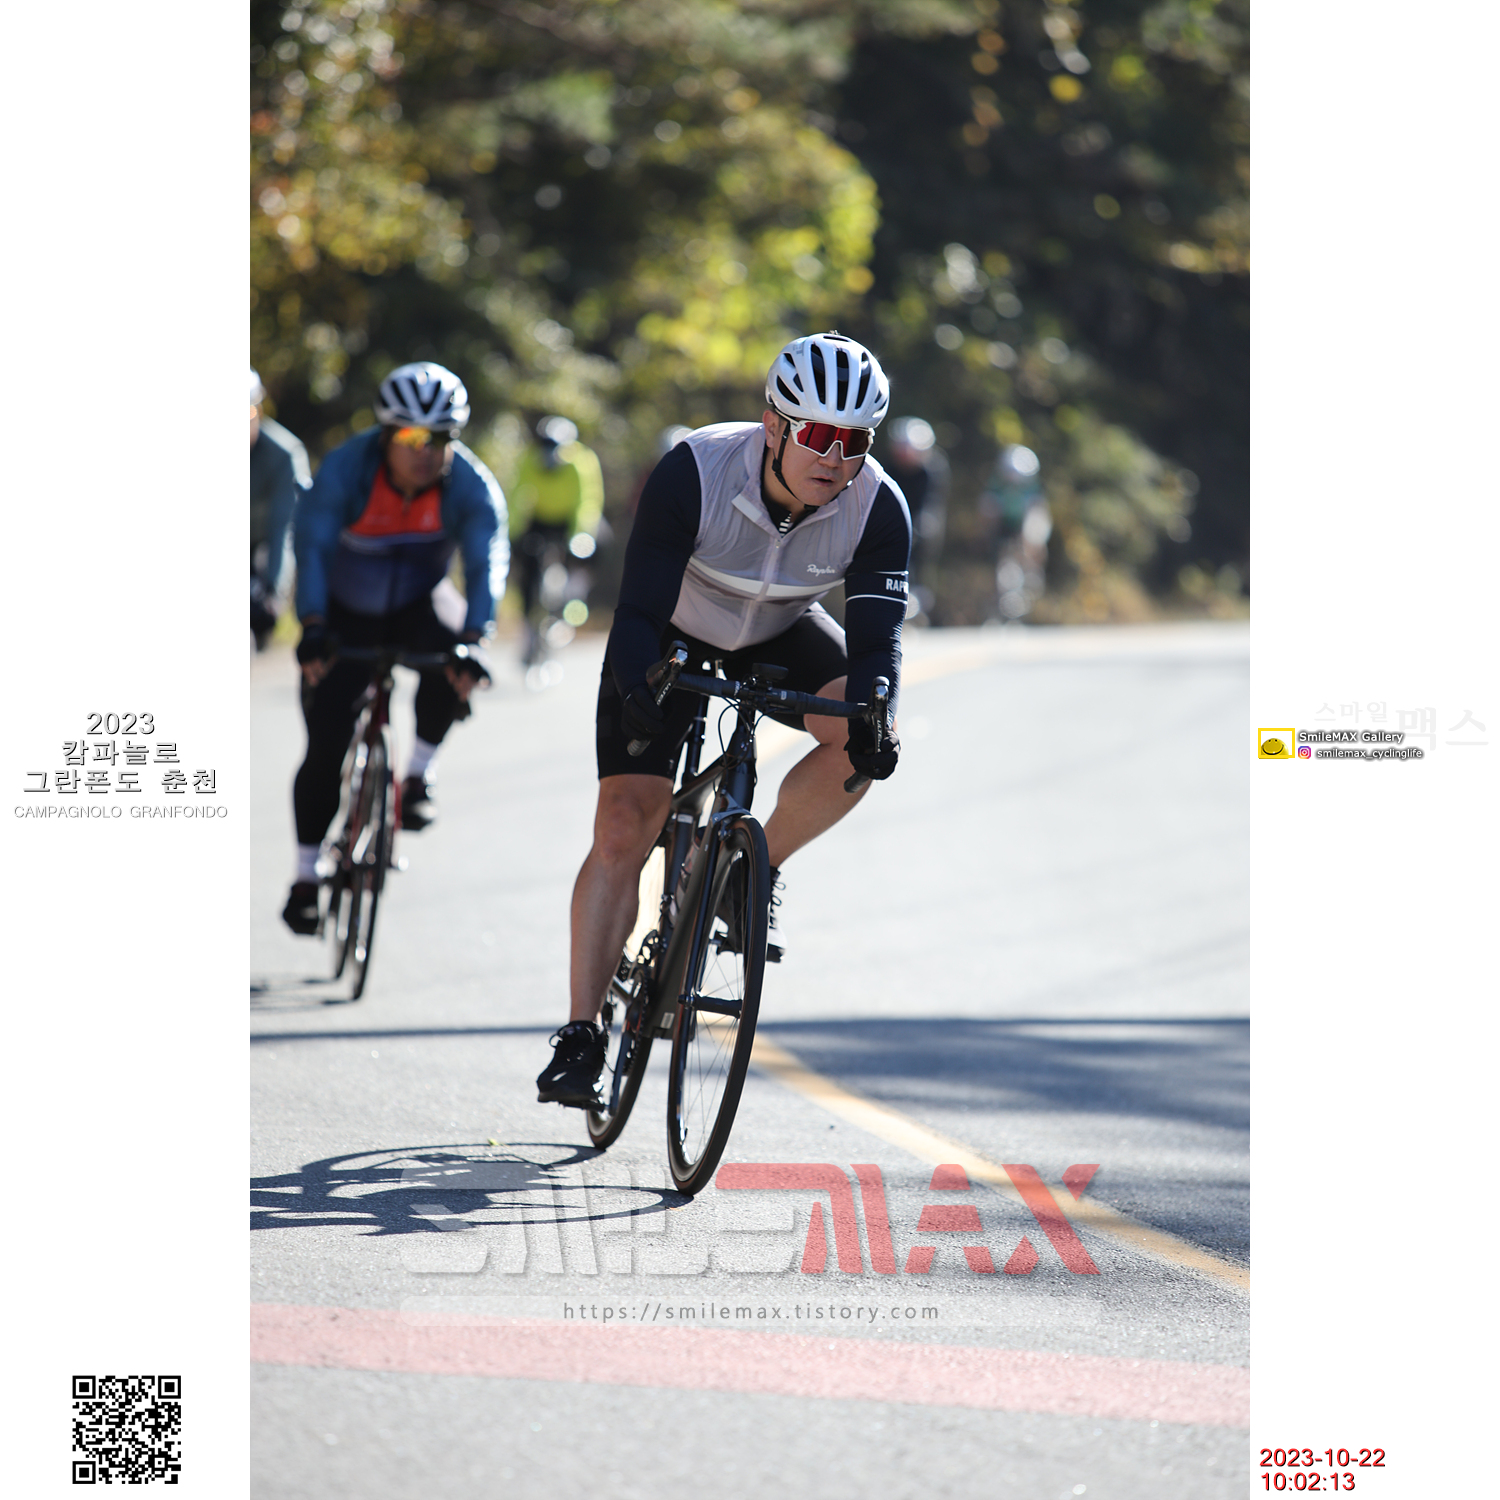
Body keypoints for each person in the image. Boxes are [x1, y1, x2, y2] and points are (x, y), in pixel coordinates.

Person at [536, 331, 911, 1107]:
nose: (834, 457)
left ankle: (754, 870)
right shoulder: (696, 470)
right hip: (671, 633)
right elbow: (637, 610)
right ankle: (580, 1035)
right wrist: (637, 686)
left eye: (854, 441)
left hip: (781, 629)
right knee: (625, 823)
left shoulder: (878, 505)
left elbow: (878, 644)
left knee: (864, 737)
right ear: (774, 425)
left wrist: (878, 714)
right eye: (818, 435)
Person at [281, 362, 508, 935]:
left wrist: (477, 637)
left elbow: (486, 561)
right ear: (385, 435)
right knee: (325, 745)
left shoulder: (470, 486)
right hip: (343, 611)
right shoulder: (346, 471)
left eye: (440, 437)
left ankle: (418, 775)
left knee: (456, 657)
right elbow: (312, 550)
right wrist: (312, 625)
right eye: (410, 436)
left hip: (418, 602)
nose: (425, 451)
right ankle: (305, 877)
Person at [507, 416, 605, 663]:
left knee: (599, 544)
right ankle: (528, 624)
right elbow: (518, 497)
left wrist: (580, 536)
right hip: (540, 518)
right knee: (527, 563)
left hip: (569, 521)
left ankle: (575, 600)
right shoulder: (529, 459)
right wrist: (513, 533)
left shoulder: (581, 461)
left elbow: (588, 501)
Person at [250, 369, 311, 649]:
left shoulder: (284, 454)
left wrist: (275, 593)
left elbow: (282, 530)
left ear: (259, 411)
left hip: (258, 547)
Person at [882, 417, 949, 622]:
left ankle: (920, 602)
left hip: (922, 520)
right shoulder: (890, 468)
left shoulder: (932, 469)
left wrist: (923, 525)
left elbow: (932, 502)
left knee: (922, 556)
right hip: (897, 519)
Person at [980, 443, 1051, 620]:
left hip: (1024, 526)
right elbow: (987, 510)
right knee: (1002, 558)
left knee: (1033, 536)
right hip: (1004, 527)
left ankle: (1031, 581)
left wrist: (1032, 542)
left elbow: (1037, 515)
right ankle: (1003, 597)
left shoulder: (1033, 488)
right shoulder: (996, 484)